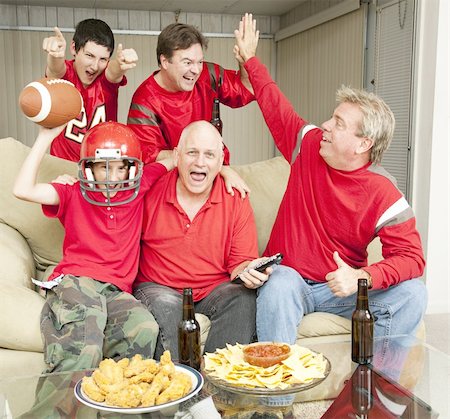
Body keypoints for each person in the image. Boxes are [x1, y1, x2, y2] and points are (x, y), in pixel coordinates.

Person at [233, 13, 427, 344]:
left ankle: (373, 390)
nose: (325, 125)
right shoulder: (307, 146)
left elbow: (412, 259)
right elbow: (275, 105)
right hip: (289, 278)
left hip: (340, 289)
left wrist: (362, 277)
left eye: (338, 123)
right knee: (278, 283)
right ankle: (279, 393)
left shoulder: (383, 192)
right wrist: (250, 59)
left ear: (363, 144)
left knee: (413, 295)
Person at [13, 121, 173, 372]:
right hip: (78, 279)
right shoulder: (73, 192)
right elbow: (22, 189)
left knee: (144, 328)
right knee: (86, 336)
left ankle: (116, 406)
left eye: (121, 168)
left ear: (132, 169)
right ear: (88, 169)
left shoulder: (139, 187)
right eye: (103, 168)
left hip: (116, 289)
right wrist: (45, 137)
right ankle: (59, 409)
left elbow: (176, 158)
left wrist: (226, 170)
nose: (113, 176)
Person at [133, 120, 271, 359]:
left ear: (220, 162)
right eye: (192, 153)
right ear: (177, 157)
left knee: (243, 297)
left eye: (209, 155)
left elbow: (239, 264)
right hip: (159, 286)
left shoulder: (235, 198)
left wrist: (249, 272)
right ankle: (183, 387)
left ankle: (217, 389)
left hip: (213, 289)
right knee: (168, 306)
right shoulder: (151, 189)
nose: (200, 162)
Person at [127, 22, 255, 196]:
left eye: (199, 61)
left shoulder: (208, 74)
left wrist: (246, 60)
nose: (195, 70)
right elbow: (150, 156)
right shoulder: (144, 100)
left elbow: (246, 90)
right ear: (165, 61)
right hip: (171, 184)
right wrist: (214, 166)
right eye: (187, 62)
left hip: (212, 171)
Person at [42, 19, 138, 161]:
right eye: (89, 55)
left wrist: (120, 64)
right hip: (62, 167)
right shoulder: (65, 74)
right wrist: (55, 56)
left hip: (100, 169)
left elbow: (114, 71)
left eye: (103, 59)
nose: (94, 66)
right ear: (74, 48)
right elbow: (55, 70)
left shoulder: (106, 79)